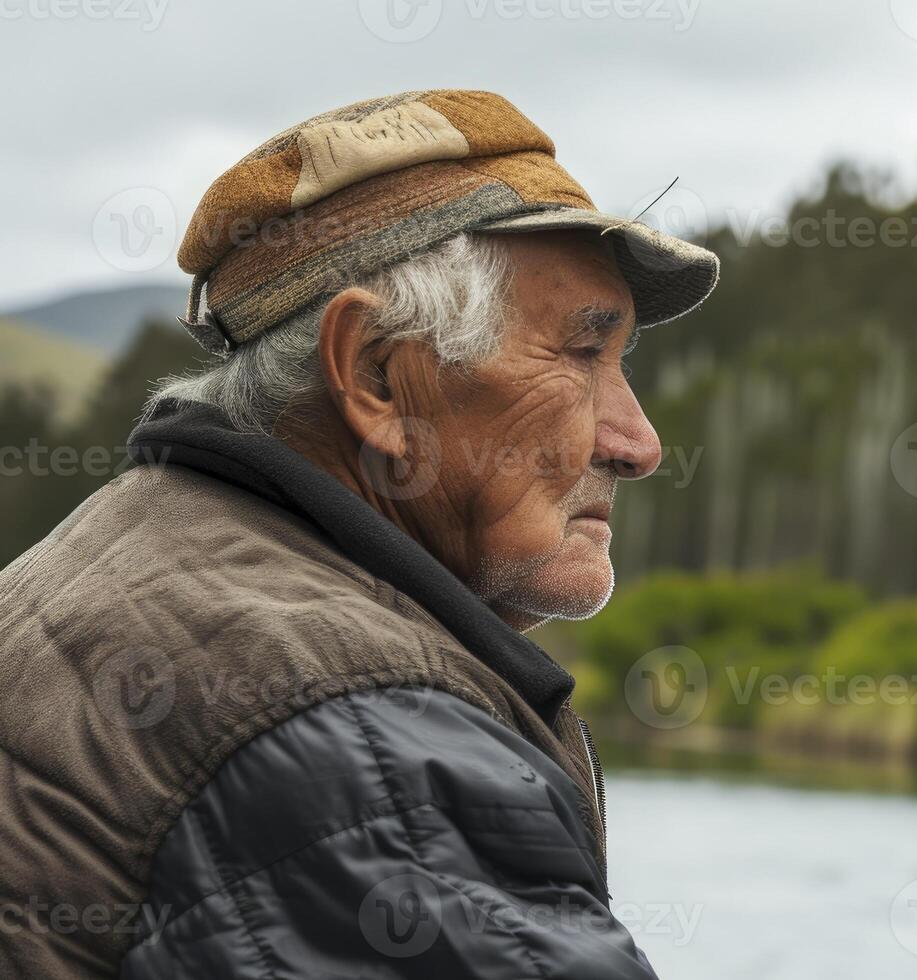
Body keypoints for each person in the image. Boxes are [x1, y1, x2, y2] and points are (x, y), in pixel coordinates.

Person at [0, 90, 718, 979]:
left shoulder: (91, 565)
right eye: (579, 355)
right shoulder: (373, 744)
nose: (638, 444)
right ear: (375, 374)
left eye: (623, 364)